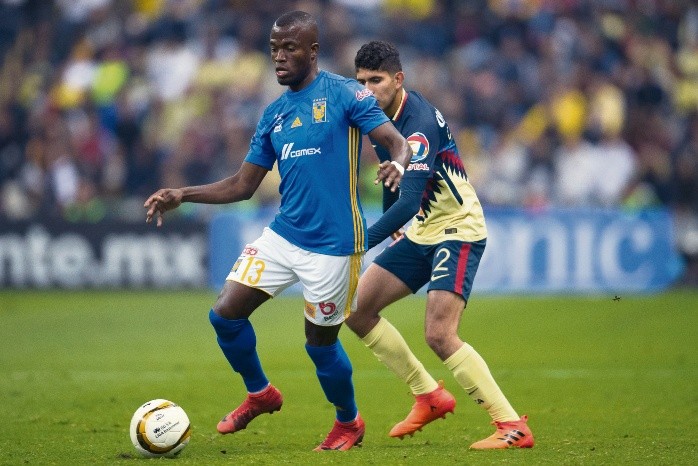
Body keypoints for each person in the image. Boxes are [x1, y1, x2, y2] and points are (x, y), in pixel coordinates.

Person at [144, 15, 412, 451]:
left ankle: (349, 422)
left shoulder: (345, 93)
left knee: (320, 345)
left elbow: (396, 141)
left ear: (313, 51)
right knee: (224, 314)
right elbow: (242, 185)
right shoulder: (274, 114)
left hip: (335, 245)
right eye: (274, 49)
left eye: (290, 48)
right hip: (284, 235)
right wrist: (183, 194)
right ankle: (260, 393)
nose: (280, 57)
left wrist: (397, 163)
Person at [346, 40, 534, 449]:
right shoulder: (376, 118)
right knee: (357, 310)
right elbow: (394, 180)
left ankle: (511, 426)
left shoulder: (418, 124)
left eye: (376, 80)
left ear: (398, 79)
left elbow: (410, 199)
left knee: (439, 334)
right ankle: (428, 395)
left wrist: (359, 242)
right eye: (361, 82)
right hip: (422, 231)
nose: (367, 90)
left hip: (457, 228)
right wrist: (392, 227)